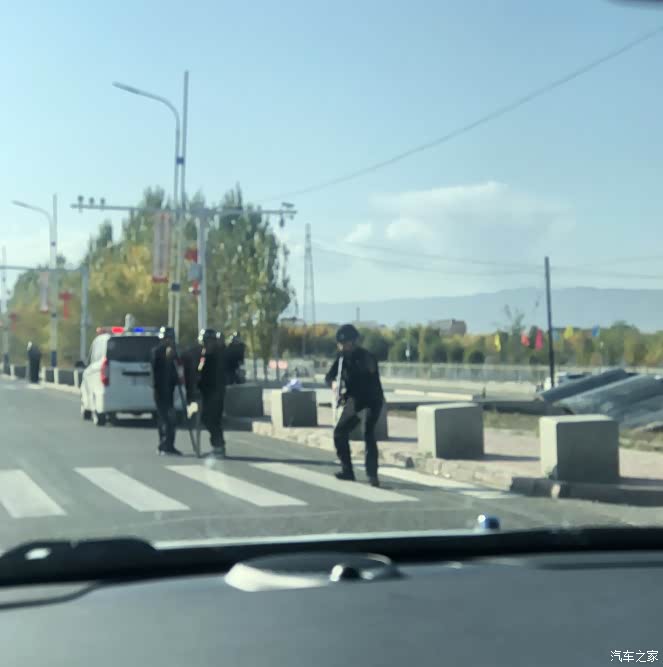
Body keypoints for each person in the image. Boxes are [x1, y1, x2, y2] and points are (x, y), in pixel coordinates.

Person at [325, 324, 385, 487]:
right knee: (339, 433)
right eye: (340, 344)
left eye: (344, 343)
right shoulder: (341, 359)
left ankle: (372, 475)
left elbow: (364, 380)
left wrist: (346, 394)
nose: (342, 346)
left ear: (353, 342)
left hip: (372, 400)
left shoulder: (366, 357)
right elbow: (329, 377)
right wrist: (334, 385)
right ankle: (347, 471)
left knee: (368, 433)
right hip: (355, 401)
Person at [194, 328, 227, 457]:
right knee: (209, 419)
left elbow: (209, 376)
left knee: (212, 419)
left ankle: (219, 446)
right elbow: (200, 372)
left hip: (215, 393)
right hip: (208, 392)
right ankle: (217, 445)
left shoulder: (216, 356)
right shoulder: (205, 356)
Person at [150, 326, 182, 456]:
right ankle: (164, 445)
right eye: (166, 338)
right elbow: (156, 370)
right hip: (160, 391)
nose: (168, 341)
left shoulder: (173, 352)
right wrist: (167, 357)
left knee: (171, 419)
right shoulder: (157, 352)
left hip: (170, 391)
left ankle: (170, 445)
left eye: (170, 339)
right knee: (165, 419)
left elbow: (177, 368)